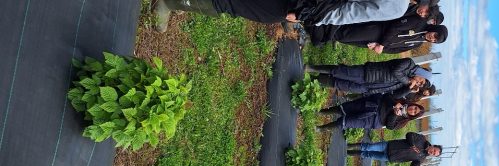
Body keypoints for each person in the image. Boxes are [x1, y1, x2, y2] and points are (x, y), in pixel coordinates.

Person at [152, 0, 410, 33]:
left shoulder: (397, 6)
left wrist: (312, 14)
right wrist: (311, 16)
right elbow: (349, 12)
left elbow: (350, 10)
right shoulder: (397, 7)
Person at [306, 16, 448, 54]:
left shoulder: (417, 43)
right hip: (377, 31)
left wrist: (380, 48)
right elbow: (395, 26)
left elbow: (396, 50)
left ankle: (315, 25)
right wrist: (382, 43)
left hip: (376, 44)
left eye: (435, 40)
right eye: (435, 35)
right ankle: (312, 23)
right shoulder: (419, 22)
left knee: (344, 38)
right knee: (343, 34)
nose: (432, 38)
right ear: (435, 28)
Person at [305, 58, 430, 96]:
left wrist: (408, 88)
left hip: (370, 88)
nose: (418, 82)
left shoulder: (407, 83)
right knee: (340, 72)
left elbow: (396, 95)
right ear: (422, 73)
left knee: (340, 84)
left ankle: (313, 79)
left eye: (420, 84)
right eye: (421, 80)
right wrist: (408, 80)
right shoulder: (409, 64)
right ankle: (312, 68)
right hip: (369, 74)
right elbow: (396, 71)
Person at [347, 132, 441, 166]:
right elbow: (409, 134)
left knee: (369, 155)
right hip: (389, 146)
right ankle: (349, 146)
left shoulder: (422, 158)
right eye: (434, 150)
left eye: (434, 154)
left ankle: (349, 153)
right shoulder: (422, 139)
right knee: (369, 147)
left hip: (390, 157)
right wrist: (412, 144)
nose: (432, 153)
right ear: (433, 146)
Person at [316, 94, 424, 131]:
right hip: (371, 104)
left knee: (347, 122)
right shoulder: (401, 100)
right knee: (344, 108)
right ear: (414, 104)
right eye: (415, 108)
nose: (413, 110)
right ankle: (322, 112)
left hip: (373, 120)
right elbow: (386, 96)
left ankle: (321, 128)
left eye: (415, 112)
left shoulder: (403, 122)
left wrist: (394, 115)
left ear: (413, 116)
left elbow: (390, 126)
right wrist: (394, 103)